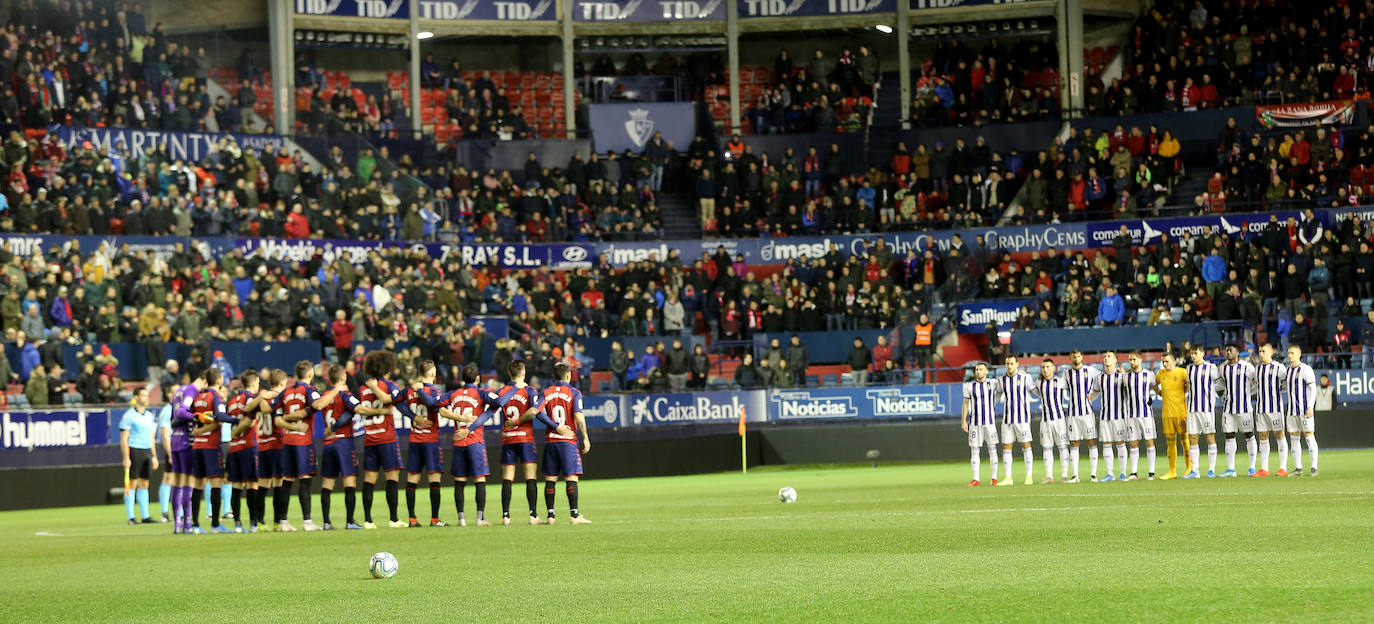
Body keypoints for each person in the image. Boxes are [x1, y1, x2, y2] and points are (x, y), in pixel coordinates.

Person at [437, 364, 515, 526]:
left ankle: (461, 519)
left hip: (458, 441)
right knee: (479, 480)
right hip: (475, 441)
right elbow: (499, 402)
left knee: (459, 481)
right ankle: (480, 518)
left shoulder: (454, 394)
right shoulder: (480, 393)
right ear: (478, 379)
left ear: (462, 379)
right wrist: (513, 388)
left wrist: (458, 418)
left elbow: (438, 407)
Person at [321, 364, 385, 530]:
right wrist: (382, 412)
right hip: (343, 441)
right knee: (349, 481)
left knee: (327, 484)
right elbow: (360, 409)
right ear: (343, 378)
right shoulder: (345, 394)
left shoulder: (325, 395)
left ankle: (326, 522)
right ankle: (350, 521)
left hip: (328, 442)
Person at [276, 361, 332, 532]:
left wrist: (289, 423)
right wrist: (334, 392)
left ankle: (283, 521)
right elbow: (318, 405)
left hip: (288, 441)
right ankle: (307, 521)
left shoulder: (285, 393)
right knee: (305, 481)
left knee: (287, 482)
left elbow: (277, 417)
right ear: (309, 374)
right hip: (303, 442)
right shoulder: (309, 390)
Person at [357, 350, 407, 529]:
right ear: (388, 366)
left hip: (370, 438)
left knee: (369, 479)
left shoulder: (363, 388)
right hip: (386, 438)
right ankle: (393, 519)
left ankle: (368, 520)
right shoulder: (390, 385)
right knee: (392, 477)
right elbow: (390, 400)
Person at [540, 362, 592, 524]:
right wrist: (585, 437)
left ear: (554, 376)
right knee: (571, 478)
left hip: (551, 441)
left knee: (551, 478)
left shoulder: (546, 392)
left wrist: (555, 427)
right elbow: (578, 416)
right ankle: (574, 515)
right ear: (568, 375)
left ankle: (550, 515)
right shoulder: (574, 393)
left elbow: (538, 412)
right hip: (568, 442)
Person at [496, 360, 546, 525]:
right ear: (524, 373)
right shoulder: (530, 390)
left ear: (509, 373)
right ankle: (533, 515)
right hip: (525, 437)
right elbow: (533, 411)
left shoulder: (503, 391)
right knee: (530, 476)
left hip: (508, 438)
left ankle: (505, 516)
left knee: (507, 477)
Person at [189, 369, 237, 533]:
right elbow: (221, 417)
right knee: (216, 482)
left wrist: (198, 430)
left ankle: (194, 525)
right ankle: (215, 524)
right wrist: (238, 419)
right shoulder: (215, 397)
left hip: (197, 446)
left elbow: (191, 416)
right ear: (219, 380)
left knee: (198, 484)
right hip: (210, 445)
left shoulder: (198, 397)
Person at [402, 361, 446, 528]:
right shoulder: (433, 390)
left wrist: (412, 416)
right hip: (430, 440)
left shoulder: (408, 390)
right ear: (433, 373)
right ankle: (435, 519)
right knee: (434, 478)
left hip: (414, 439)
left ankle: (412, 519)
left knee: (412, 479)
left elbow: (396, 402)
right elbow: (433, 404)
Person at [225, 370, 268, 532]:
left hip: (234, 447)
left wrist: (233, 434)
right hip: (249, 445)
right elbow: (249, 423)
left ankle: (237, 523)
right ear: (255, 383)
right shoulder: (250, 399)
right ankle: (253, 522)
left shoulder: (232, 400)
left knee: (236, 485)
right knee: (252, 485)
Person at [167, 373, 207, 533]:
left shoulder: (178, 390)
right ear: (204, 381)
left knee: (177, 481)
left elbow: (172, 418)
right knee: (189, 481)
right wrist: (197, 417)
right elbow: (181, 413)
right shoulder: (191, 391)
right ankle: (187, 524)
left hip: (175, 439)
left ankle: (177, 523)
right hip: (186, 440)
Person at [255, 370, 289, 529]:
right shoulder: (279, 398)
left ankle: (259, 522)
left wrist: (261, 396)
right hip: (277, 444)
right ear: (282, 383)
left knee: (262, 485)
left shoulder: (261, 397)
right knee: (278, 483)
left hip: (262, 445)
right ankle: (278, 522)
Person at [119, 387, 159, 524]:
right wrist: (126, 457)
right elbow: (124, 437)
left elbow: (152, 436)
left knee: (144, 483)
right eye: (143, 395)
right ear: (136, 397)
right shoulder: (129, 415)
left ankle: (145, 515)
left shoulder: (149, 415)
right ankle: (130, 516)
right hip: (134, 450)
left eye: (147, 395)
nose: (146, 398)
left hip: (147, 450)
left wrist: (154, 455)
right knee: (132, 483)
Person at [995, 355, 1036, 486]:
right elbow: (997, 395)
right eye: (1007, 363)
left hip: (1022, 419)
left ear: (1017, 364)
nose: (1009, 366)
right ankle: (1008, 478)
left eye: (1012, 363)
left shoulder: (1025, 378)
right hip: (1007, 419)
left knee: (1026, 445)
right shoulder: (1001, 380)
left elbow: (1035, 391)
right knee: (1006, 447)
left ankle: (1029, 477)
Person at [1219, 344, 1257, 477]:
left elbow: (1258, 381)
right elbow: (1221, 384)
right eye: (1227, 350)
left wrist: (1250, 393)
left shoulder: (1246, 366)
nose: (1228, 353)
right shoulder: (1223, 367)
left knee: (1249, 435)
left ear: (1238, 352)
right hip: (1228, 407)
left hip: (1244, 408)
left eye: (1231, 350)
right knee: (1229, 435)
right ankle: (1231, 469)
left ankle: (1252, 467)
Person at [1063, 349, 1101, 482]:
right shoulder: (1066, 374)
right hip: (1072, 414)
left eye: (1078, 356)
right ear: (1070, 358)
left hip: (1087, 413)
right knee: (1074, 443)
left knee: (1091, 442)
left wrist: (1094, 396)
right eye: (1074, 357)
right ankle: (1075, 475)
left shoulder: (1091, 371)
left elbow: (1103, 380)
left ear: (1082, 357)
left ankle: (1093, 475)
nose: (1076, 359)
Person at [1184, 346, 1221, 478]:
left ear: (1202, 353)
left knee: (1210, 436)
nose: (1193, 356)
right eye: (1191, 354)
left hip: (1206, 409)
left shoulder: (1211, 368)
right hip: (1192, 408)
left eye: (1195, 353)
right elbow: (1188, 387)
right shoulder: (1189, 369)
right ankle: (1195, 470)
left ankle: (1211, 469)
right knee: (1193, 437)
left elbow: (1219, 385)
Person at [1031, 359, 1070, 484]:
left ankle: (1064, 475)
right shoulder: (1039, 382)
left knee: (1062, 447)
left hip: (1059, 420)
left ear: (1053, 368)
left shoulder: (1061, 382)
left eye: (1048, 367)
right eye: (1043, 367)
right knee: (1047, 448)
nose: (1045, 369)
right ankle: (1049, 476)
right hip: (1045, 420)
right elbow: (1037, 393)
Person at [960, 362, 999, 486]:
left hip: (990, 423)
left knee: (992, 450)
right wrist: (963, 421)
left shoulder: (993, 383)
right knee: (974, 451)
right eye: (977, 369)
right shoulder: (969, 386)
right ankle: (976, 479)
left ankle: (994, 478)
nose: (978, 371)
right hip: (974, 423)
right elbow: (965, 404)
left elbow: (1005, 386)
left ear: (986, 371)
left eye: (981, 369)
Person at [1253, 344, 1289, 477]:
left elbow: (1286, 383)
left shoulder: (1278, 367)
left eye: (1264, 351)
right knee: (1263, 436)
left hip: (1275, 408)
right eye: (1260, 351)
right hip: (1261, 408)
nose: (1261, 354)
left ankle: (1283, 468)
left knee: (1279, 434)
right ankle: (1264, 468)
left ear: (1271, 352)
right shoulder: (1257, 368)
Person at [1091, 352, 1128, 482]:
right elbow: (1094, 393)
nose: (1106, 358)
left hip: (1119, 416)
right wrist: (1087, 398)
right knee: (1106, 444)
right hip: (1105, 416)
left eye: (1109, 356)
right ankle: (1110, 474)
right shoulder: (1099, 377)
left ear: (1116, 360)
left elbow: (1129, 392)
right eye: (1105, 356)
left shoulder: (1122, 375)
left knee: (1120, 443)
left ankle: (1123, 473)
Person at [1153, 352, 1189, 480]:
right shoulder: (1160, 374)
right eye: (1163, 361)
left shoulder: (1182, 372)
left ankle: (1188, 468)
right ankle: (1172, 471)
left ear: (1173, 360)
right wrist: (1161, 393)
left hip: (1181, 412)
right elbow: (1154, 385)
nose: (1164, 364)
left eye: (1167, 361)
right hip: (1167, 414)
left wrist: (1182, 392)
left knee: (1185, 441)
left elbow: (1188, 387)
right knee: (1171, 443)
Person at [1123, 351, 1158, 480]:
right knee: (1133, 442)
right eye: (1130, 360)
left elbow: (1155, 389)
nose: (1132, 362)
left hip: (1146, 414)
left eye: (1134, 359)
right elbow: (1126, 393)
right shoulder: (1126, 376)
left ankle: (1151, 473)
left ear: (1140, 360)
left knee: (1149, 441)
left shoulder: (1149, 374)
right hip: (1131, 414)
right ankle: (1133, 473)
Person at [1285, 346, 1318, 476]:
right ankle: (1298, 468)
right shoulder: (1288, 371)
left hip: (1304, 410)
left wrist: (1310, 406)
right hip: (1291, 411)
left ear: (1299, 354)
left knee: (1309, 437)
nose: (1290, 355)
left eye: (1292, 353)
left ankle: (1314, 467)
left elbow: (1313, 389)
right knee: (1294, 438)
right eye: (1288, 353)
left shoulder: (1306, 369)